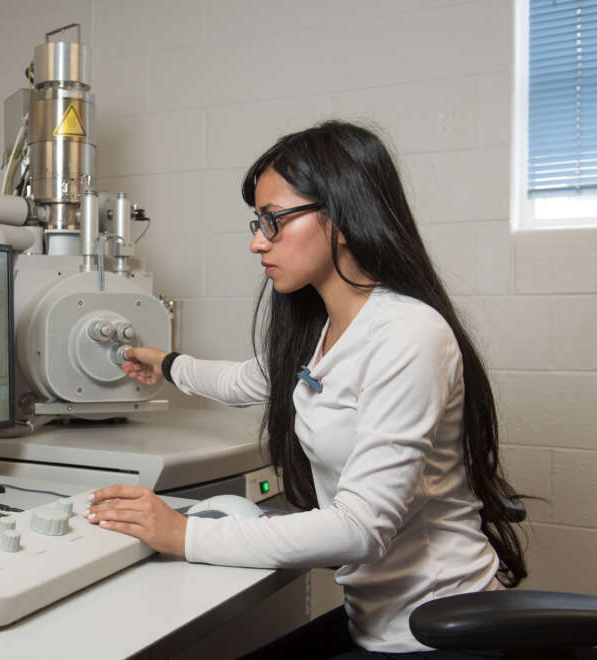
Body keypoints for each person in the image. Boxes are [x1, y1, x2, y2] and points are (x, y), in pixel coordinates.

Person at [84, 121, 526, 658]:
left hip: (433, 632)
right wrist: (164, 362)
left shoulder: (409, 334)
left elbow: (360, 529)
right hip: (374, 622)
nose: (256, 242)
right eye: (257, 222)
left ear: (339, 215)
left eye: (273, 221)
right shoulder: (323, 332)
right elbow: (241, 380)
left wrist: (183, 535)